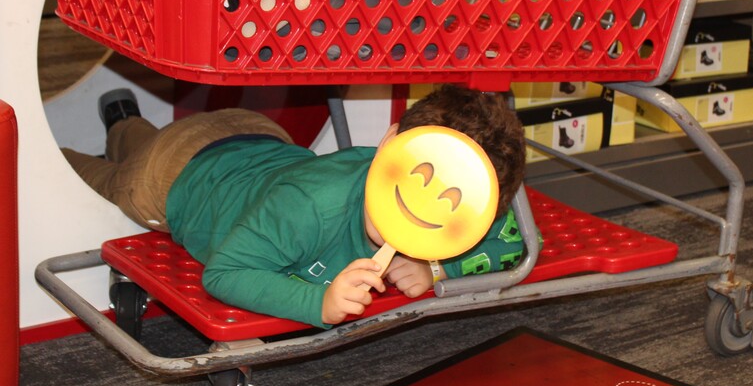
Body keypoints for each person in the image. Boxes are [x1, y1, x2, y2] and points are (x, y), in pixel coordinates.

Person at [63, 85, 527, 328]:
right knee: (102, 179)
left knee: (141, 143)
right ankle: (80, 144)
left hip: (257, 137)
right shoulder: (310, 206)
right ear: (387, 143)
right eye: (422, 177)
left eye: (453, 199)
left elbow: (515, 240)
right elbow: (224, 273)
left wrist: (435, 268)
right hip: (173, 179)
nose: (430, 201)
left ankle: (125, 122)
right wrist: (319, 302)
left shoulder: (469, 207)